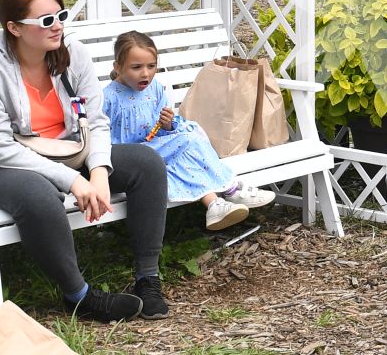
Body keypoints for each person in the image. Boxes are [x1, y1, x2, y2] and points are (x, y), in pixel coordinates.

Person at [0, 0, 171, 322]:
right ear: (14, 28)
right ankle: (80, 296)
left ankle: (148, 278)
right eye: (45, 21)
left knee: (146, 163)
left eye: (60, 15)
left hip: (67, 151)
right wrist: (74, 180)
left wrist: (100, 172)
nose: (57, 25)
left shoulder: (73, 52)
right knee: (39, 193)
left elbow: (97, 122)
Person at [102, 31, 274, 233]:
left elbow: (163, 129)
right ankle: (230, 189)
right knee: (184, 148)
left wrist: (167, 125)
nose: (146, 74)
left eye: (151, 66)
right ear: (118, 67)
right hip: (129, 158)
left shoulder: (155, 88)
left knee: (190, 138)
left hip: (156, 147)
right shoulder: (108, 97)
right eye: (136, 67)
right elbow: (100, 137)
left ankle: (215, 205)